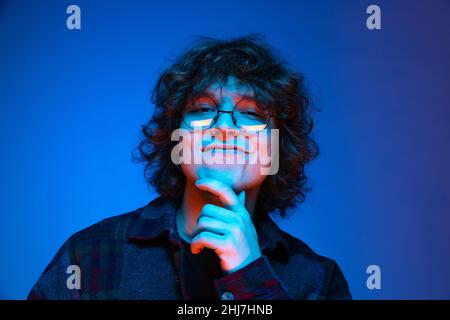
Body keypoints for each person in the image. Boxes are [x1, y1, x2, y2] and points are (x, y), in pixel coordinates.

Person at [28, 36, 352, 300]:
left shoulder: (318, 282)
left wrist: (250, 278)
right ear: (176, 139)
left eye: (252, 114)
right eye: (202, 109)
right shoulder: (88, 256)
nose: (225, 127)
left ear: (277, 149)